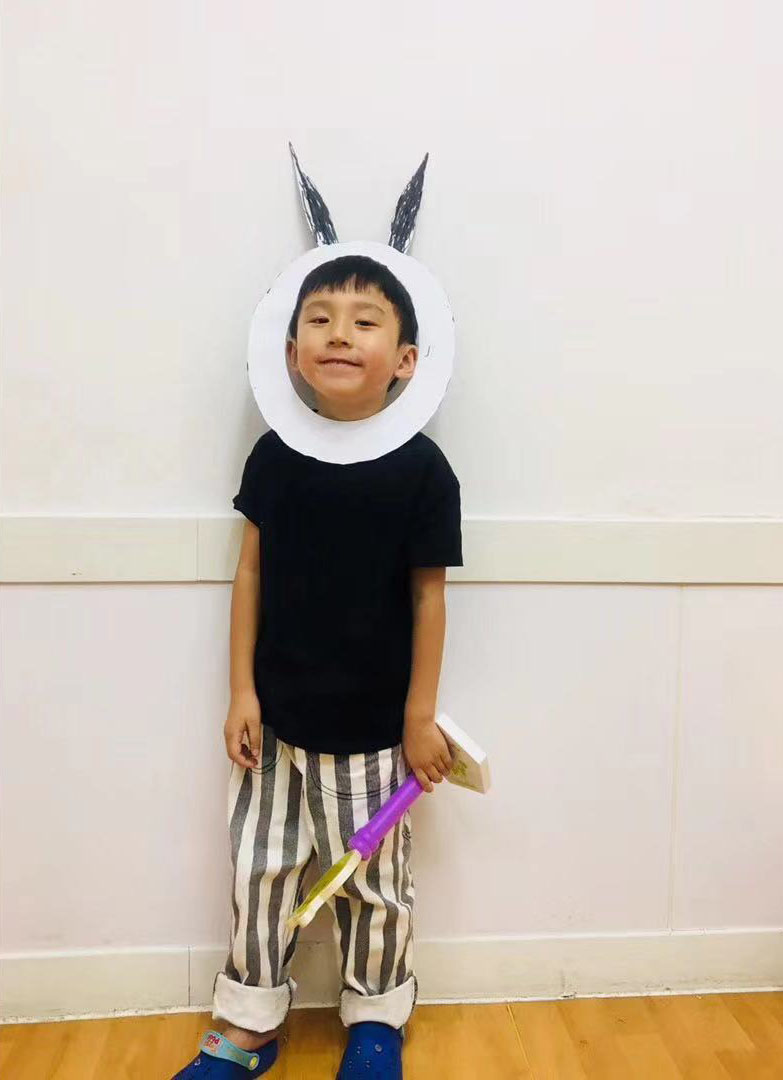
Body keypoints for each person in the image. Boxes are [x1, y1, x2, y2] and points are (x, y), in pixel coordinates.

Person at [173, 254, 462, 1079]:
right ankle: (247, 1024)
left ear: (404, 359)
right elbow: (250, 573)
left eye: (365, 322)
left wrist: (418, 716)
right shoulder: (273, 458)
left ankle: (376, 1019)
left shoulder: (422, 471)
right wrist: (240, 690)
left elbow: (428, 599)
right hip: (273, 725)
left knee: (372, 884)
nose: (339, 334)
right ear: (291, 351)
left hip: (373, 732)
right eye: (320, 319)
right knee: (260, 871)